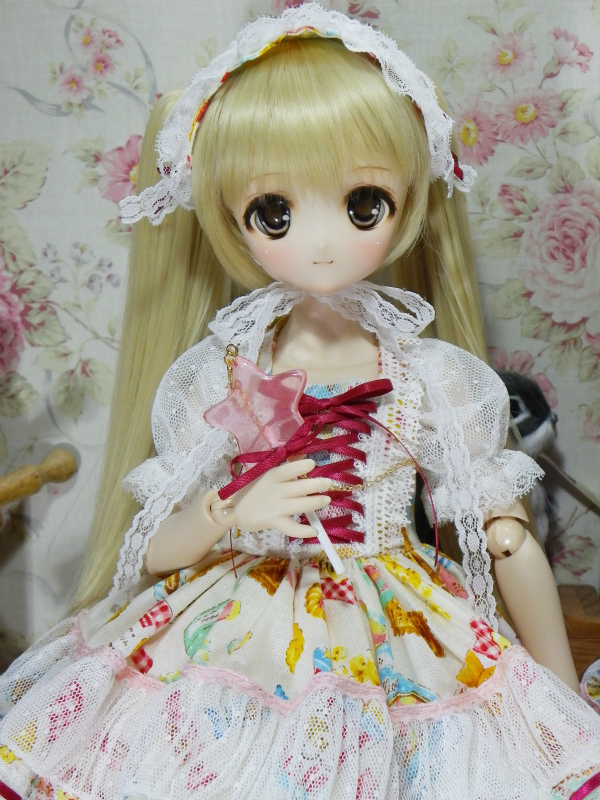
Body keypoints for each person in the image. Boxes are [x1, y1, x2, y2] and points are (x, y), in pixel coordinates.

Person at [1, 6, 599, 799]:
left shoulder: (429, 375)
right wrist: (226, 513)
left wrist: (559, 701)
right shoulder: (221, 371)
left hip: (397, 621)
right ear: (230, 215)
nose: (319, 243)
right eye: (274, 213)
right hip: (236, 620)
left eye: (362, 204)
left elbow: (507, 538)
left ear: (409, 196)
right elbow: (154, 548)